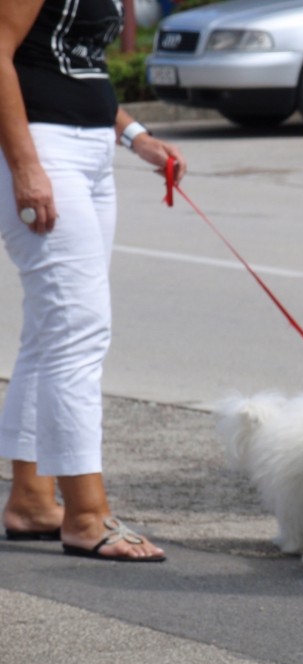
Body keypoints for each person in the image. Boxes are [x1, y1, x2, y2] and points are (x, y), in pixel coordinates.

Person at [1, 0, 186, 561]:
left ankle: (32, 501)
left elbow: (77, 66)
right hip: (40, 147)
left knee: (52, 333)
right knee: (79, 332)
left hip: (89, 151)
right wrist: (25, 166)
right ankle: (86, 515)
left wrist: (138, 139)